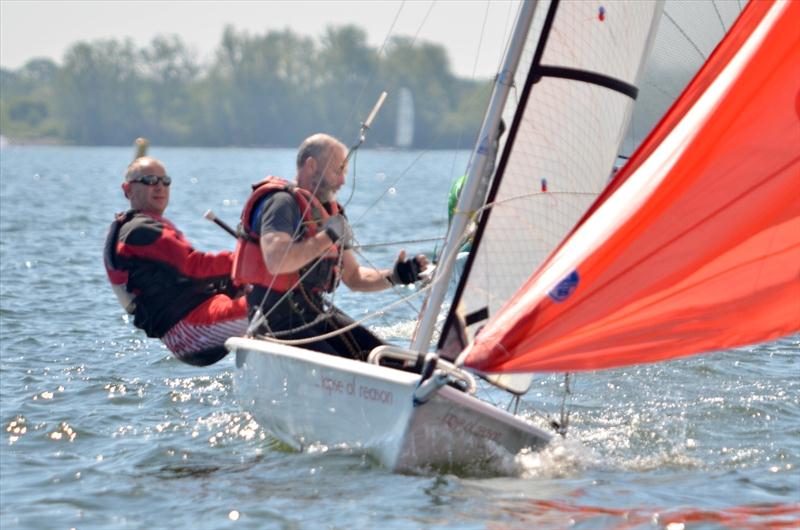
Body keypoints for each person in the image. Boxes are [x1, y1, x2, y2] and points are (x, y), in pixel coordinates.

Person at [233, 133, 429, 361]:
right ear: (311, 165)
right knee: (355, 365)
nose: (343, 181)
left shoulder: (332, 215)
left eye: (344, 173)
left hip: (315, 316)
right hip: (275, 323)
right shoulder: (281, 204)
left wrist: (396, 275)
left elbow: (354, 277)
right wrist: (329, 236)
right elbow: (277, 261)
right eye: (338, 171)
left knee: (395, 361)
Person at [104, 156, 248, 366]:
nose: (160, 187)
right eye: (150, 180)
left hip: (192, 325)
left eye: (165, 181)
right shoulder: (140, 231)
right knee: (274, 304)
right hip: (192, 330)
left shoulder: (140, 226)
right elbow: (193, 266)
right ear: (128, 190)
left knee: (269, 286)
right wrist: (251, 260)